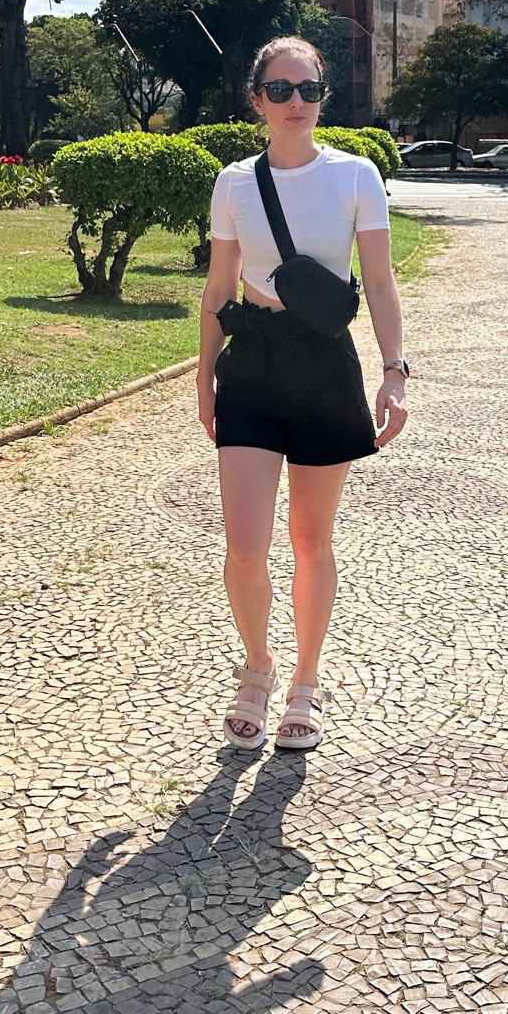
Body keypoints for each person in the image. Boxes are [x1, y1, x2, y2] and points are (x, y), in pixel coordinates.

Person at [197, 37, 409, 754]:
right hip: (253, 362)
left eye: (309, 90)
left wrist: (394, 371)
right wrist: (203, 376)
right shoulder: (233, 182)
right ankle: (256, 668)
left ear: (324, 96)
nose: (296, 104)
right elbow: (218, 287)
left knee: (311, 540)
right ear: (256, 98)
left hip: (324, 365)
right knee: (245, 544)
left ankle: (306, 685)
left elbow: (378, 282)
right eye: (280, 90)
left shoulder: (356, 176)